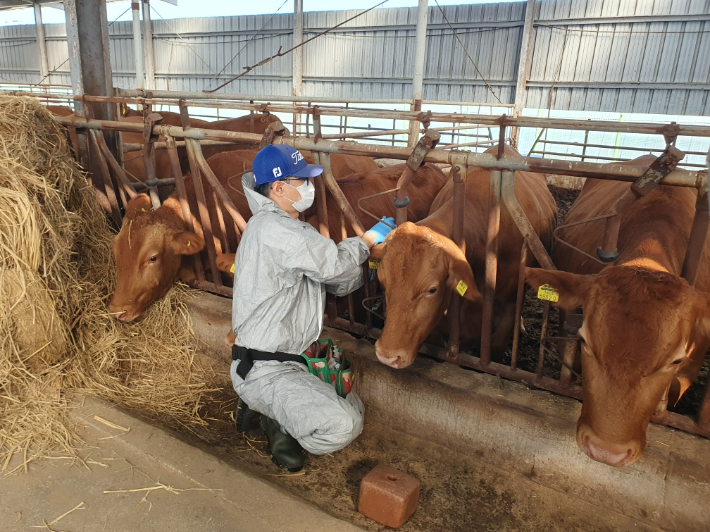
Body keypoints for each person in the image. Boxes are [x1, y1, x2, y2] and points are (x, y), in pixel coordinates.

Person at [229, 144, 394, 472]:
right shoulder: (278, 230)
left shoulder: (271, 226)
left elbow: (337, 283)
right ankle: (274, 420)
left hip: (287, 359)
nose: (310, 188)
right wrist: (365, 242)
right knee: (344, 425)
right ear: (279, 188)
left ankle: (265, 406)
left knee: (354, 405)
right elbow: (335, 268)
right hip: (266, 369)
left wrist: (363, 266)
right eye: (302, 181)